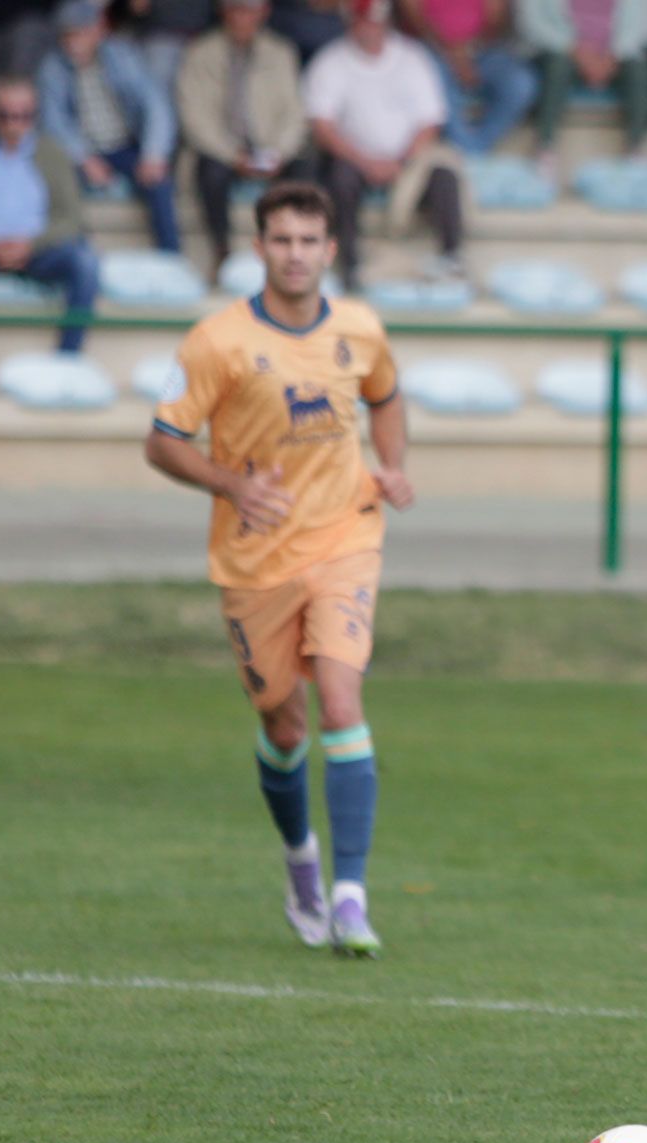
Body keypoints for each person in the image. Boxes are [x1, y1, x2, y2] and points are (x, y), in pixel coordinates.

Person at [144, 181, 412, 957]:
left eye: (309, 241)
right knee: (282, 722)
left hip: (345, 538)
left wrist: (391, 467)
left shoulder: (360, 328)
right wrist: (230, 483)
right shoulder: (216, 342)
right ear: (258, 247)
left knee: (338, 698)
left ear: (331, 249)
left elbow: (386, 397)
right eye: (281, 240)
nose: (296, 254)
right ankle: (302, 864)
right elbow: (162, 440)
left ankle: (353, 901)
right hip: (254, 559)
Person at [0, 76, 100, 375]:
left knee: (85, 263)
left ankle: (68, 361)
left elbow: (72, 219)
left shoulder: (53, 153)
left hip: (39, 250)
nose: (14, 124)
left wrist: (30, 244)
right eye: (6, 115)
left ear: (34, 117)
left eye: (23, 116)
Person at [304, 0, 466, 288]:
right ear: (350, 23)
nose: (369, 28)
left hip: (407, 159)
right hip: (353, 159)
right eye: (362, 21)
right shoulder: (331, 61)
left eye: (375, 21)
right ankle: (349, 264)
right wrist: (365, 162)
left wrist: (401, 162)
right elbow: (322, 127)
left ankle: (452, 259)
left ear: (387, 22)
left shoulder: (413, 56)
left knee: (445, 176)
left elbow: (430, 122)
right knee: (339, 179)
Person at [39, 0, 182, 253]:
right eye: (69, 34)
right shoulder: (51, 68)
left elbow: (154, 104)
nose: (74, 41)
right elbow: (54, 123)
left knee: (160, 182)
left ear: (98, 30)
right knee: (58, 180)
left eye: (81, 32)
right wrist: (84, 158)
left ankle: (171, 257)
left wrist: (153, 153)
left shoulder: (121, 55)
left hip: (125, 145)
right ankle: (77, 254)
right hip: (82, 153)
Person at [179, 0, 311, 267]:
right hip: (223, 150)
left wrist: (278, 153)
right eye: (236, 10)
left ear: (263, 13)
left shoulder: (280, 52)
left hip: (270, 149)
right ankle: (222, 251)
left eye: (249, 11)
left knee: (305, 172)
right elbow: (194, 118)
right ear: (223, 12)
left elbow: (295, 113)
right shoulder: (200, 52)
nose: (242, 18)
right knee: (210, 172)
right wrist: (232, 155)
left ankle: (294, 251)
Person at [520, 0, 647, 163]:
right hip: (563, 52)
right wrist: (576, 51)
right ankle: (545, 149)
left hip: (611, 57)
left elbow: (637, 27)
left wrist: (612, 56)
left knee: (638, 69)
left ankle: (636, 150)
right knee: (557, 67)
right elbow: (533, 25)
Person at [403, 0, 537, 157]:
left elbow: (497, 18)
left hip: (481, 50)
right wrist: (451, 52)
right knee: (435, 81)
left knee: (521, 83)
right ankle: (468, 151)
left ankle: (474, 148)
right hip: (434, 50)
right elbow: (414, 19)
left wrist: (468, 51)